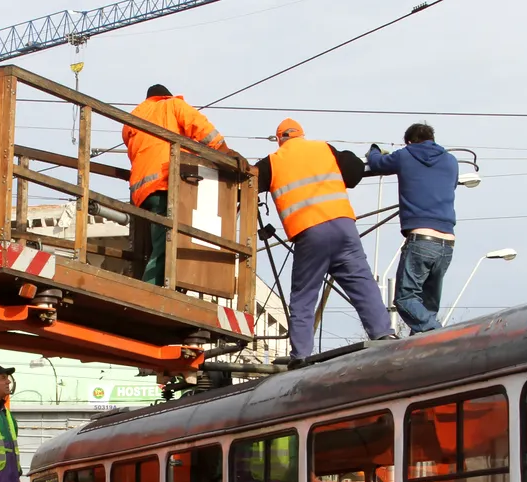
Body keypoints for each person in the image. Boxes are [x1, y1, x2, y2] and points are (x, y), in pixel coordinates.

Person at [255, 119, 395, 361]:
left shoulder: (272, 162)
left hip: (310, 232)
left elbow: (248, 183)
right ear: (302, 135)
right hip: (343, 226)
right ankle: (383, 333)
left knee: (304, 295)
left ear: (280, 140)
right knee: (362, 282)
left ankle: (301, 355)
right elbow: (353, 172)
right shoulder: (324, 148)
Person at [123, 84, 237, 286]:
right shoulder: (171, 105)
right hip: (165, 182)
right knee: (167, 245)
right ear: (164, 96)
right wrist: (226, 153)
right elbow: (201, 128)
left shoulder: (134, 119)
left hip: (141, 191)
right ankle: (149, 290)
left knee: (159, 241)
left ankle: (158, 285)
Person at [366, 123, 460, 335]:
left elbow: (377, 163)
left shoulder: (405, 155)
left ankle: (439, 334)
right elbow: (451, 185)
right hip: (447, 243)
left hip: (421, 238)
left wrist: (374, 150)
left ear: (409, 141)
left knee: (406, 298)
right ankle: (425, 348)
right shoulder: (451, 161)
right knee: (427, 306)